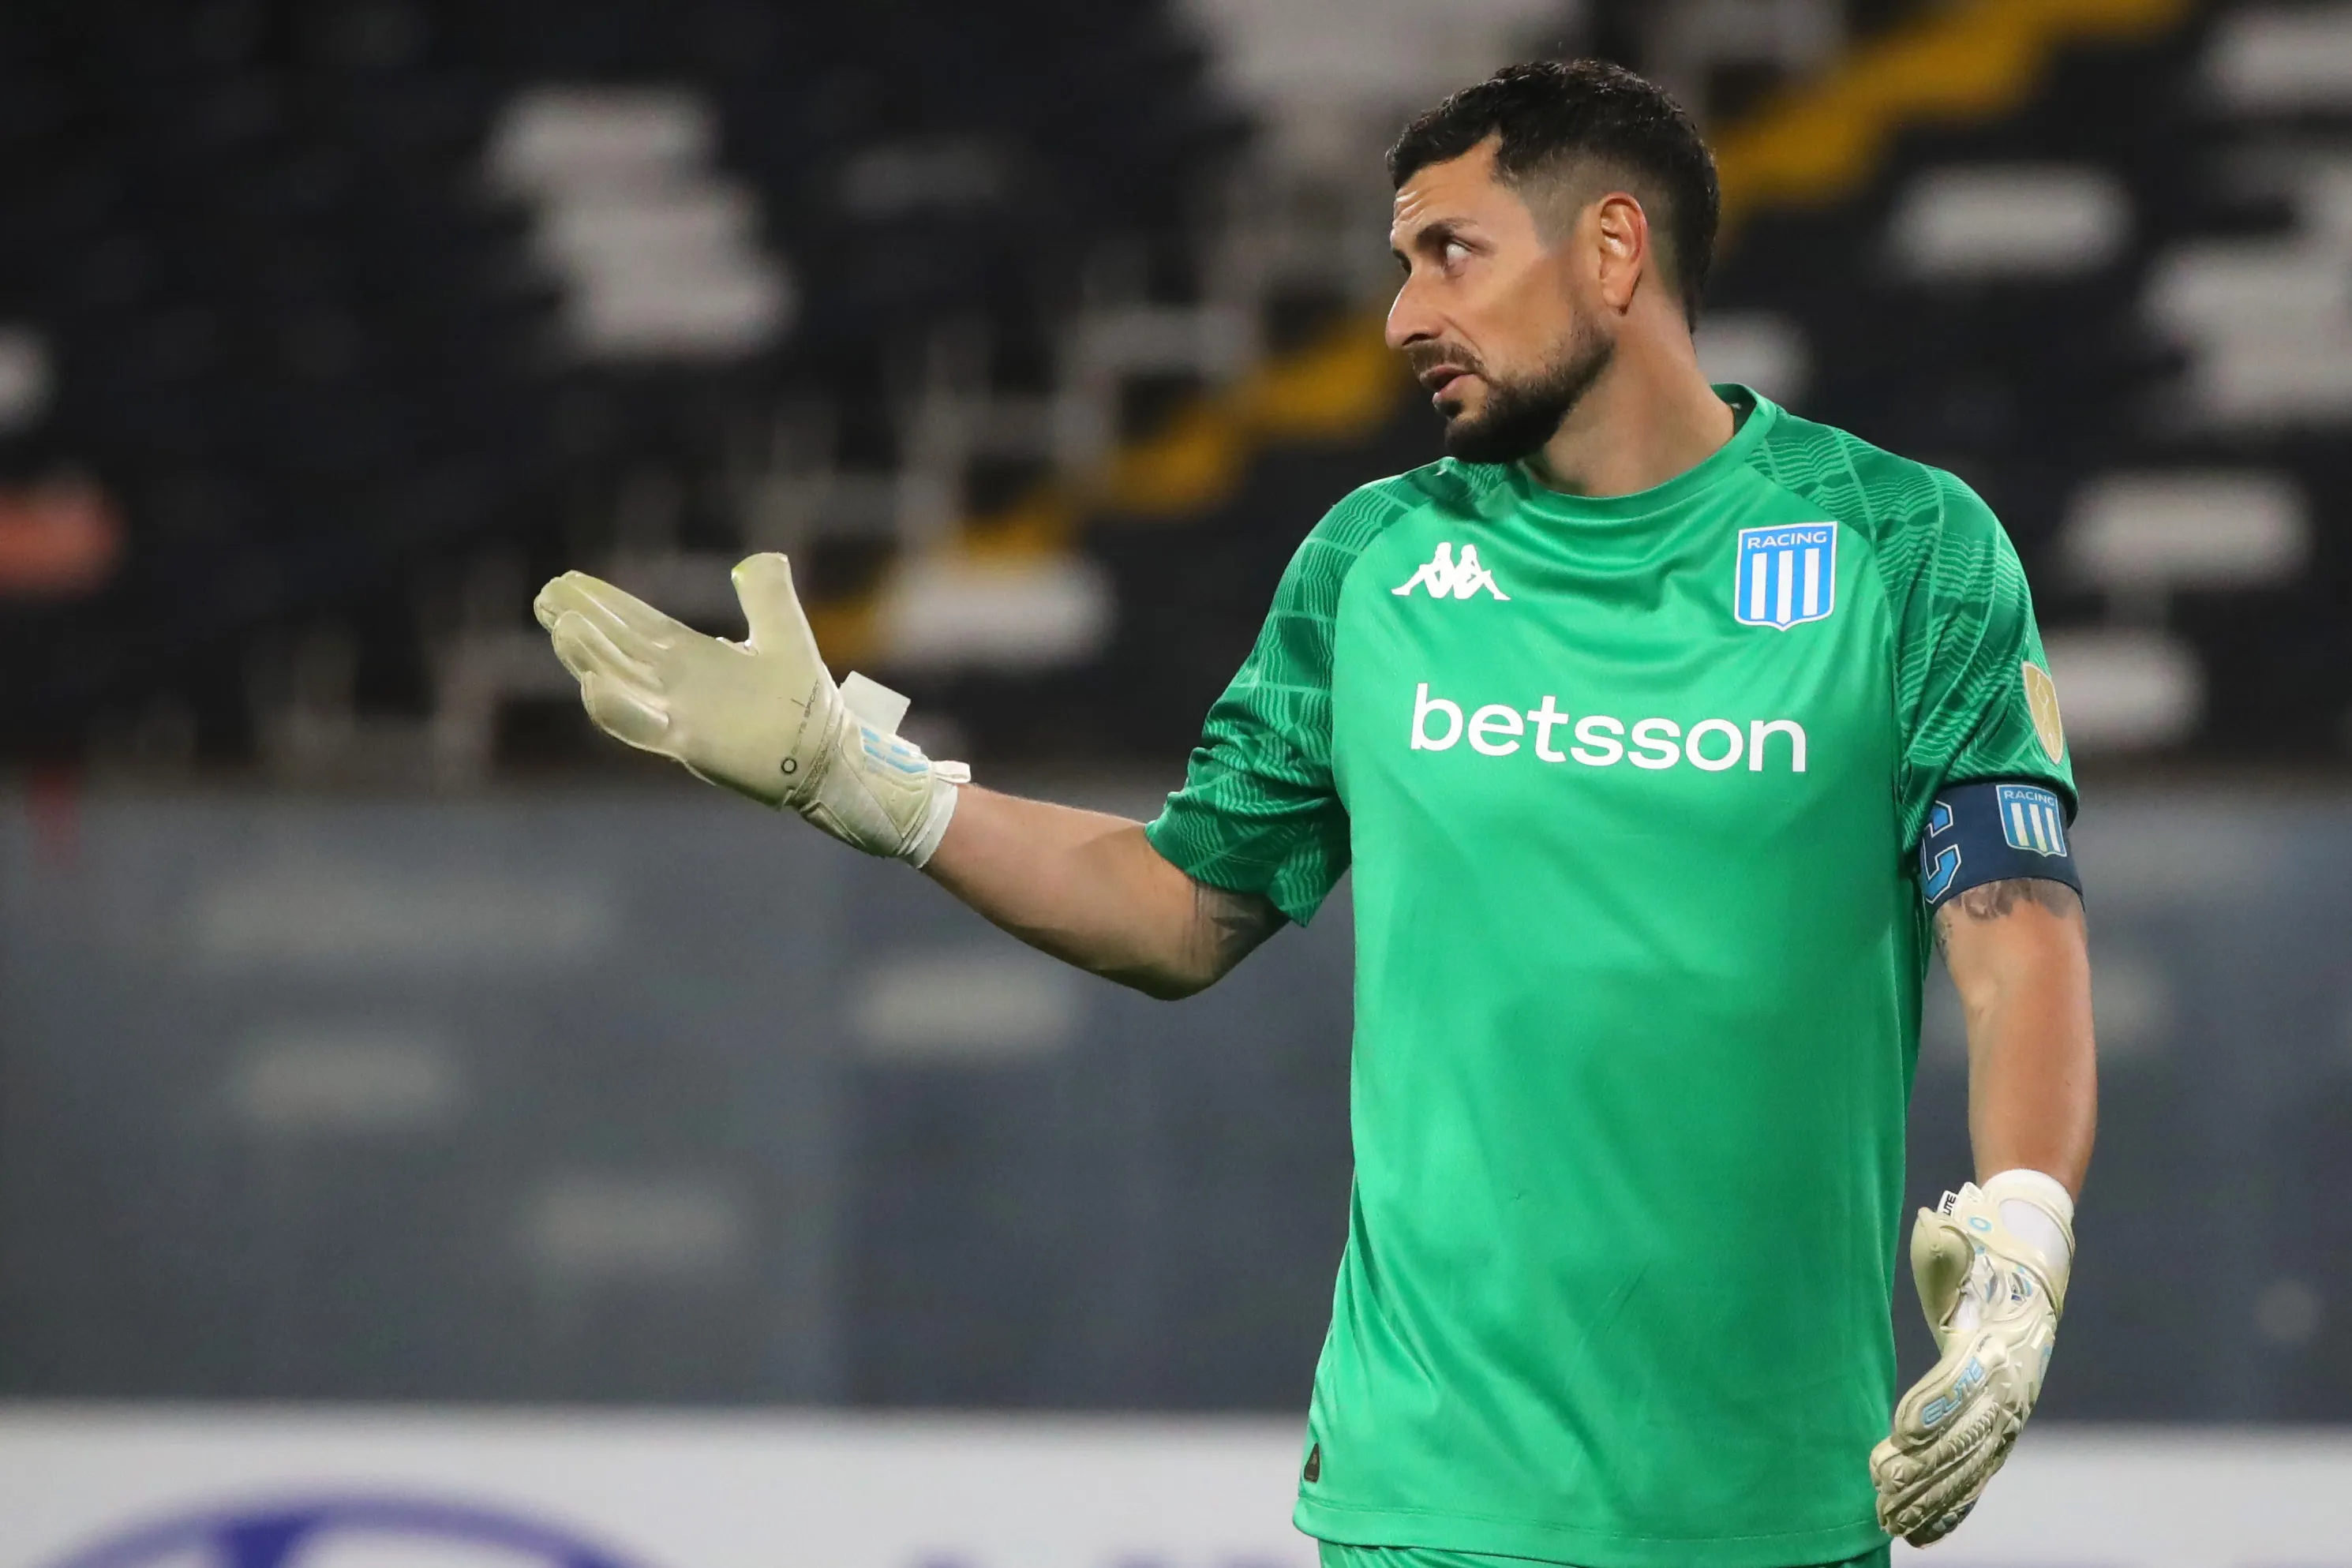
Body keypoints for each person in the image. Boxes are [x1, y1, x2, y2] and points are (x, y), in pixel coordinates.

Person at [534, 58, 2095, 1568]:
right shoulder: (1374, 564)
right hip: (1427, 1503)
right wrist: (859, 781)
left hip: (1778, 1510)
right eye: (1398, 261)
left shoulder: (1899, 545)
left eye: (1448, 252)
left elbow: (2012, 931)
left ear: (1611, 248)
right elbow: (1177, 906)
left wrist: (2018, 1245)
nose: (1405, 311)